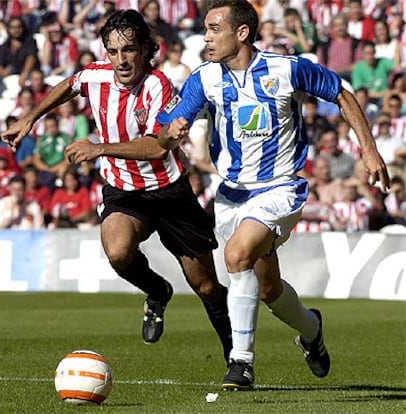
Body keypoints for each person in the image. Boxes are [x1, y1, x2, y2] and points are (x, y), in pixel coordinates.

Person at [157, 0, 390, 390]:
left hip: (280, 187)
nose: (207, 36)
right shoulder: (204, 78)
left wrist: (368, 150)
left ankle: (241, 362)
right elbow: (168, 127)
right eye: (206, 29)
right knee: (268, 289)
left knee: (236, 254)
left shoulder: (287, 69)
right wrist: (171, 133)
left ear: (242, 33)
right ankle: (312, 330)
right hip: (231, 195)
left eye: (215, 29)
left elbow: (342, 94)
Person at [1, 9, 232, 365]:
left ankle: (236, 355)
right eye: (112, 51)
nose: (121, 60)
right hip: (123, 191)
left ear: (145, 49)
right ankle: (157, 292)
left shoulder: (159, 86)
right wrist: (29, 118)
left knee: (206, 287)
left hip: (169, 191)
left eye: (128, 50)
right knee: (118, 252)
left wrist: (99, 148)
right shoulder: (96, 76)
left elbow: (158, 145)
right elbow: (69, 84)